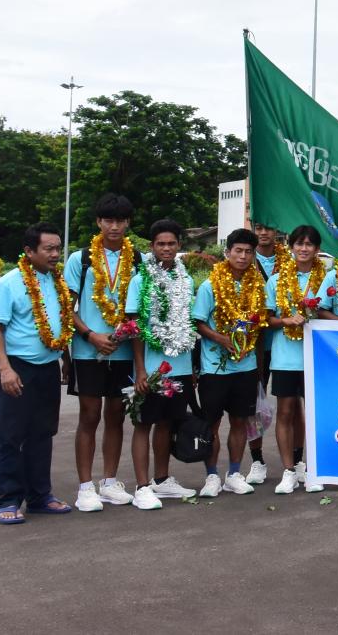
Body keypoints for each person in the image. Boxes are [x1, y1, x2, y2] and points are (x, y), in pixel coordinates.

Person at [0, 223, 74, 524]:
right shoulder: (9, 283)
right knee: (11, 435)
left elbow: (61, 324)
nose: (55, 254)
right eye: (48, 249)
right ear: (29, 251)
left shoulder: (57, 282)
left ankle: (40, 496)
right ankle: (8, 500)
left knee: (42, 433)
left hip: (47, 368)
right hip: (16, 368)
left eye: (57, 248)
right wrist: (5, 370)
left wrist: (65, 359)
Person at [64, 192, 137, 512]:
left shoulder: (139, 260)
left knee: (116, 416)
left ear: (128, 223)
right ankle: (85, 487)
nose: (114, 227)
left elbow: (141, 307)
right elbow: (66, 308)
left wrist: (125, 333)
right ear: (98, 222)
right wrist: (91, 335)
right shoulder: (80, 259)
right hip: (87, 351)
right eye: (109, 220)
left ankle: (109, 482)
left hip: (123, 352)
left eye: (120, 221)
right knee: (89, 415)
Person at [124, 218, 200, 509]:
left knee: (167, 424)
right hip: (152, 370)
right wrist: (140, 370)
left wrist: (192, 369)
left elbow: (189, 325)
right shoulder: (140, 280)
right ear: (152, 246)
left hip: (180, 366)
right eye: (160, 244)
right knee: (144, 424)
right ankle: (142, 486)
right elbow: (135, 328)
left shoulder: (186, 280)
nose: (166, 249)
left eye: (171, 244)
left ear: (179, 245)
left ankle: (162, 479)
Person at [266, 224, 338, 495]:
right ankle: (289, 471)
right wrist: (286, 320)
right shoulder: (276, 280)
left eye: (309, 244)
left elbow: (332, 313)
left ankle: (312, 468)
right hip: (286, 357)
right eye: (299, 244)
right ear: (291, 247)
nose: (303, 249)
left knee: (317, 414)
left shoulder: (330, 278)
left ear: (317, 249)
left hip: (320, 357)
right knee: (286, 412)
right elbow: (267, 319)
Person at [193, 229, 268, 497]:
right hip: (214, 367)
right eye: (238, 251)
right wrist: (221, 339)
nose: (243, 256)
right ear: (227, 252)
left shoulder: (258, 286)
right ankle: (212, 476)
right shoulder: (210, 285)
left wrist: (259, 368)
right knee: (211, 424)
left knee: (240, 422)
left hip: (246, 367)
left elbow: (260, 326)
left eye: (248, 252)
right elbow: (198, 322)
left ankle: (234, 474)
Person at [243, 221, 284, 484]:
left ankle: (296, 459)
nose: (263, 233)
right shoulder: (244, 259)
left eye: (268, 227)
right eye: (258, 227)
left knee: (291, 404)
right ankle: (257, 460)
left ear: (276, 230)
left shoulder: (288, 261)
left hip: (284, 343)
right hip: (254, 346)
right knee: (253, 404)